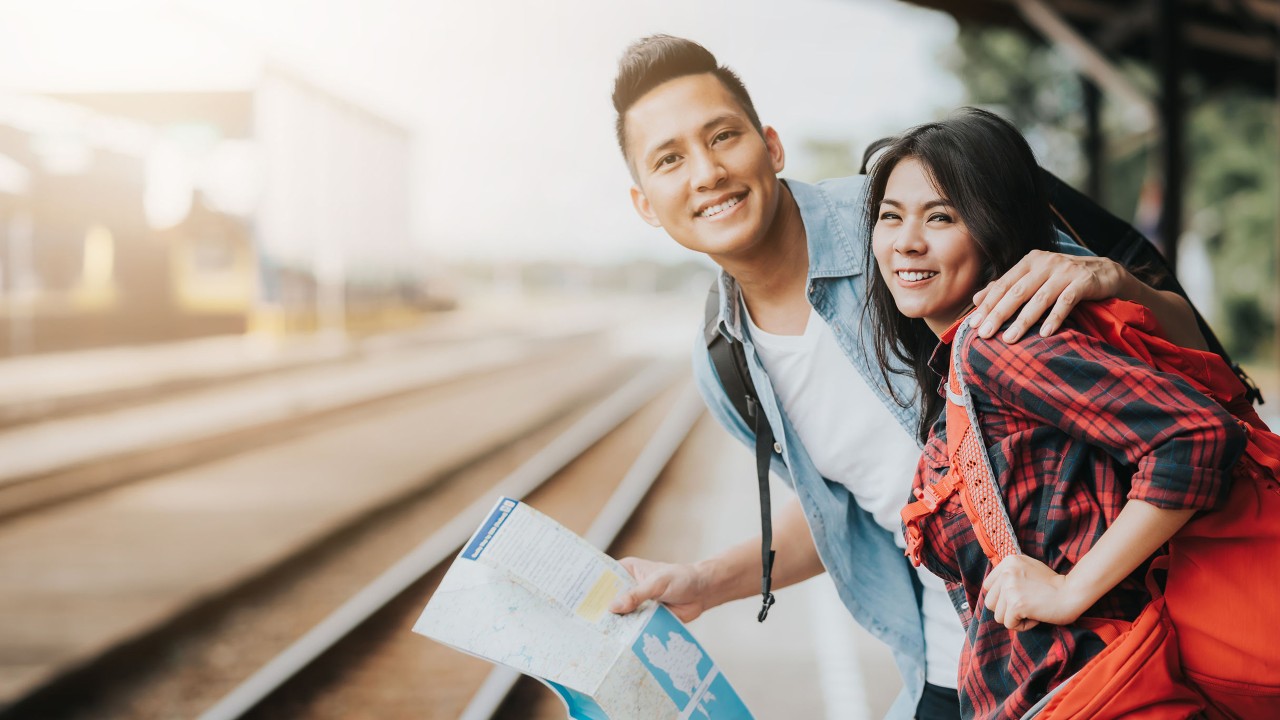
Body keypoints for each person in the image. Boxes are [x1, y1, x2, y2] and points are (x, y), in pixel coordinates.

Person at [604, 35, 1207, 719]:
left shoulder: (909, 214)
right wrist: (704, 582)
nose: (707, 172)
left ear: (770, 146)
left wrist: (1114, 280)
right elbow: (849, 513)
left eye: (722, 137)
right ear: (646, 203)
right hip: (959, 667)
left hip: (1111, 648)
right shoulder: (724, 362)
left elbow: (1183, 363)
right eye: (670, 159)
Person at [864, 107, 1246, 719]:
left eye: (940, 217)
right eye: (890, 217)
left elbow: (1195, 437)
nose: (907, 241)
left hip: (1092, 690)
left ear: (994, 230)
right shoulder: (965, 369)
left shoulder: (997, 346)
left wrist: (1071, 591)